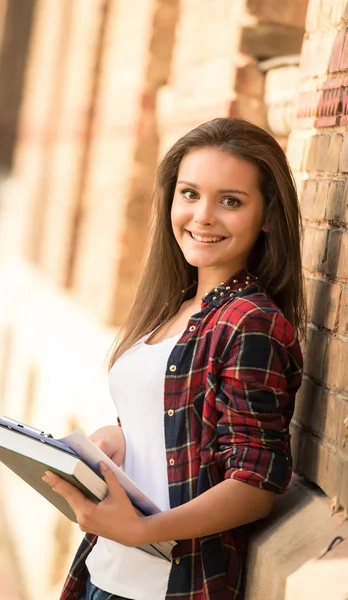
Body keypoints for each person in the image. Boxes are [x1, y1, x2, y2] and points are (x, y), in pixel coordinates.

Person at [42, 117, 305, 600]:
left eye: (230, 201)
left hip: (167, 585)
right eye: (189, 194)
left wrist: (146, 530)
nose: (203, 216)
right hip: (102, 570)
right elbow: (176, 424)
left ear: (267, 216)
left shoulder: (250, 321)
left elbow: (254, 483)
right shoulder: (177, 304)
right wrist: (120, 437)